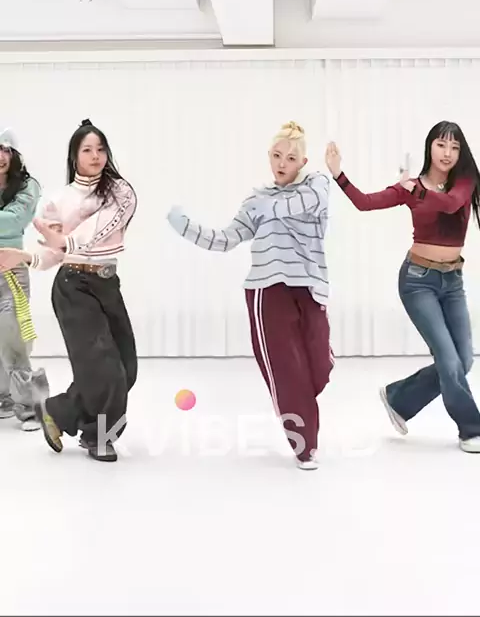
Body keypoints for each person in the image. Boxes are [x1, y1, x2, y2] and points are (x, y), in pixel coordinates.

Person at [167, 121, 334, 470]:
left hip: (309, 287)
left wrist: (266, 206)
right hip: (267, 289)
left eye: (291, 158)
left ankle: (299, 409)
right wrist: (186, 228)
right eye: (276, 156)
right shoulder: (257, 199)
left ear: (303, 162)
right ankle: (305, 446)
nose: (282, 163)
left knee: (318, 367)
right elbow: (226, 239)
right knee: (287, 371)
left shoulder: (316, 184)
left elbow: (302, 204)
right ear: (269, 156)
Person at [325, 120, 480, 453]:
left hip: (453, 282)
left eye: (454, 147)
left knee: (463, 361)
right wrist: (339, 174)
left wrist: (416, 191)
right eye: (441, 145)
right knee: (449, 360)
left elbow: (451, 204)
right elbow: (365, 202)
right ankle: (472, 429)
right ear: (430, 147)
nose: (448, 153)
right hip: (418, 281)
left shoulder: (465, 181)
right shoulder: (411, 187)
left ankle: (399, 398)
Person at [0, 119, 138, 462]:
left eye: (100, 149)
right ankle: (98, 438)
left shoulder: (120, 192)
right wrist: (25, 256)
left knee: (126, 368)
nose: (95, 156)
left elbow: (102, 227)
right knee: (105, 370)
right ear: (74, 156)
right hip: (73, 287)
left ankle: (58, 412)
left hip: (108, 284)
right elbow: (54, 254)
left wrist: (66, 240)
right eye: (87, 150)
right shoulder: (58, 200)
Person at [0, 126, 48, 431]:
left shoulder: (28, 186)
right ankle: (3, 399)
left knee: (13, 338)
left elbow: (16, 220)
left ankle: (30, 408)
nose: (0, 156)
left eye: (4, 149)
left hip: (11, 271)